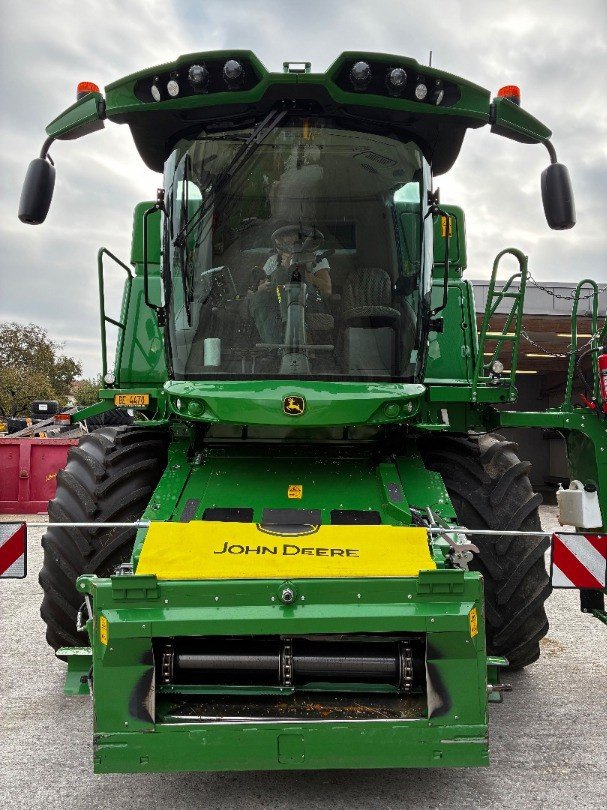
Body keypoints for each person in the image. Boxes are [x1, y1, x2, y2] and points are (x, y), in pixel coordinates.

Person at [249, 225, 332, 344]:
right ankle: (275, 348)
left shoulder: (313, 256)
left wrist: (297, 270)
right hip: (277, 298)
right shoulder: (273, 260)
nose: (285, 244)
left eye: (288, 239)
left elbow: (327, 290)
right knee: (259, 297)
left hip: (309, 299)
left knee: (281, 273)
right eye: (281, 242)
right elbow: (264, 286)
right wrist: (261, 288)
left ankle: (291, 328)